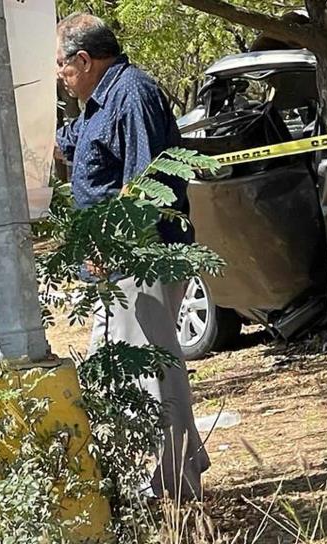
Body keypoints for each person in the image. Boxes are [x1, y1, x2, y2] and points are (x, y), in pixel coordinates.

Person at [54, 13, 210, 502]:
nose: (58, 74)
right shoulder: (98, 102)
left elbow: (146, 187)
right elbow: (73, 147)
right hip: (113, 267)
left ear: (84, 59)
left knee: (153, 378)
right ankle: (145, 483)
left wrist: (111, 243)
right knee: (120, 375)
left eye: (61, 64)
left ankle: (175, 495)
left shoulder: (133, 93)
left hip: (142, 261)